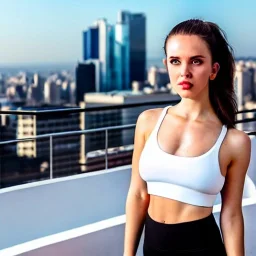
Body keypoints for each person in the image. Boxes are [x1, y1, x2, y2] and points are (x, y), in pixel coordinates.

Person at [123, 19, 251, 256]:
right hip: (151, 249)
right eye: (175, 61)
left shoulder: (234, 142)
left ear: (214, 70)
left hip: (203, 249)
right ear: (166, 66)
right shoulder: (148, 122)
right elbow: (138, 194)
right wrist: (127, 254)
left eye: (196, 61)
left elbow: (231, 214)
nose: (184, 72)